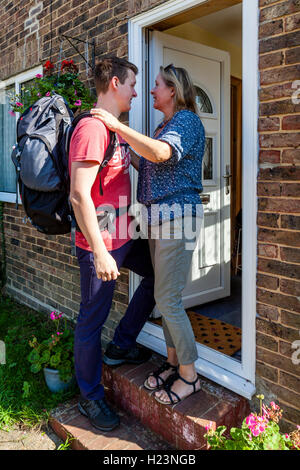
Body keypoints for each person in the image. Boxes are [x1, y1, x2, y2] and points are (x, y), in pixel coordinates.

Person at [91, 64, 205, 405]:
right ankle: (173, 364)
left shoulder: (186, 121)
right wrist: (125, 152)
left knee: (168, 298)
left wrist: (118, 128)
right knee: (164, 294)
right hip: (158, 219)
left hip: (176, 218)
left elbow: (160, 153)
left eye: (156, 85)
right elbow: (153, 163)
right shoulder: (164, 125)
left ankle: (190, 376)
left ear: (173, 90)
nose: (150, 91)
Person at [69, 56, 155, 432]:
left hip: (124, 234)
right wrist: (101, 251)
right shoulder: (91, 129)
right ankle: (90, 397)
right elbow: (78, 196)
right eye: (133, 84)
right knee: (91, 320)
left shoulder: (114, 128)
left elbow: (131, 164)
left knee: (157, 276)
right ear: (116, 83)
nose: (137, 91)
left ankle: (121, 344)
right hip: (100, 244)